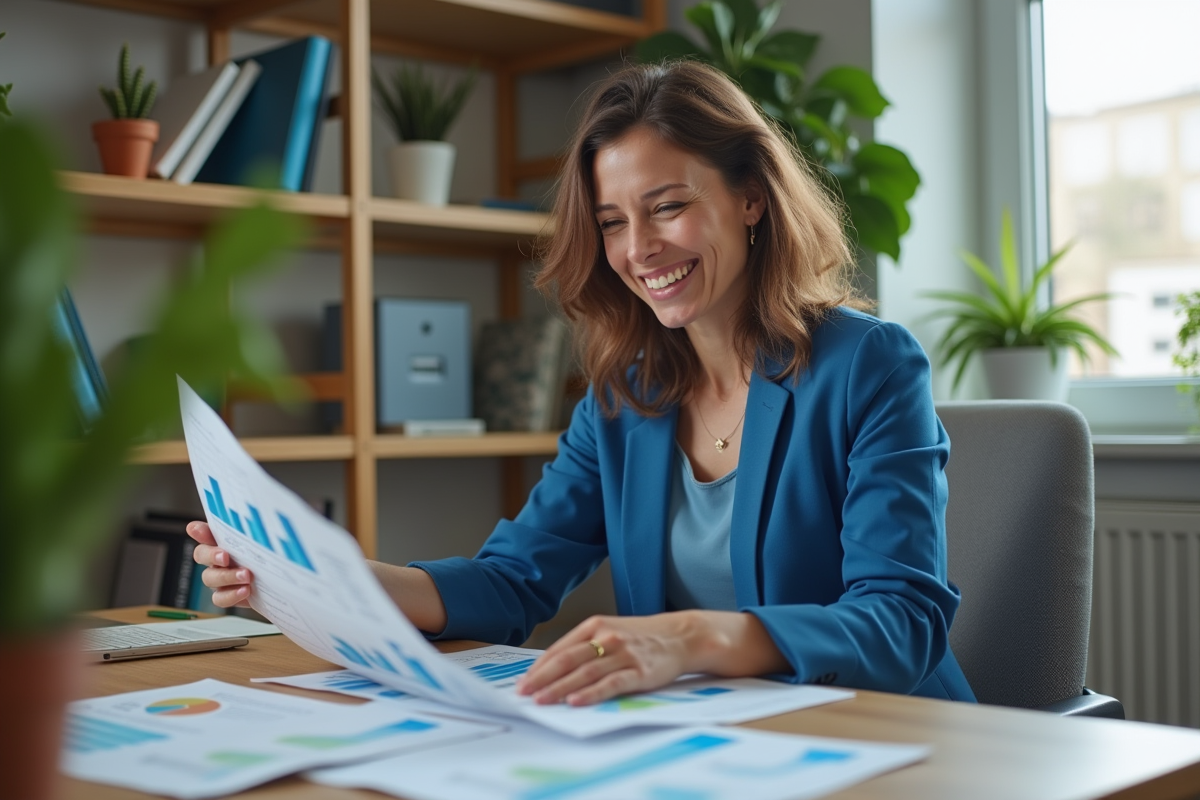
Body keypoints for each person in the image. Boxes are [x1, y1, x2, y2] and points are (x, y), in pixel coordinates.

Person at [188, 60, 976, 707]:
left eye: (667, 207)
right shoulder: (624, 395)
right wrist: (330, 580)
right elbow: (512, 580)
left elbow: (899, 623)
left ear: (750, 199)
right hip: (707, 746)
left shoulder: (868, 365)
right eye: (611, 222)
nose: (639, 249)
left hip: (885, 738)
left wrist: (689, 637)